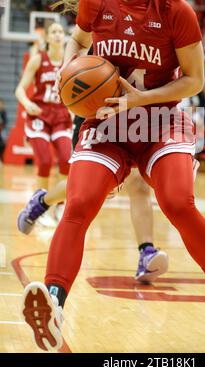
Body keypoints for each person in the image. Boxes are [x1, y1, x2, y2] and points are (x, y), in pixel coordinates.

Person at [21, 0, 205, 352]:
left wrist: (142, 98)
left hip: (158, 121)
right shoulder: (96, 0)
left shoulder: (176, 9)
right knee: (79, 204)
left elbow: (194, 81)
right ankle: (55, 305)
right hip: (109, 123)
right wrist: (68, 73)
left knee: (177, 202)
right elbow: (78, 40)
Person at [17, 112, 169, 283]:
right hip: (94, 117)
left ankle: (146, 253)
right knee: (87, 187)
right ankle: (42, 201)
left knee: (139, 184)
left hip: (133, 116)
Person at [15, 23, 73, 225]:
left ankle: (60, 205)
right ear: (47, 37)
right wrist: (28, 103)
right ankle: (38, 208)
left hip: (61, 117)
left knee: (67, 160)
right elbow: (20, 89)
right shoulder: (38, 59)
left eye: (60, 32)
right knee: (46, 161)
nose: (58, 35)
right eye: (54, 32)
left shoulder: (70, 61)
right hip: (39, 116)